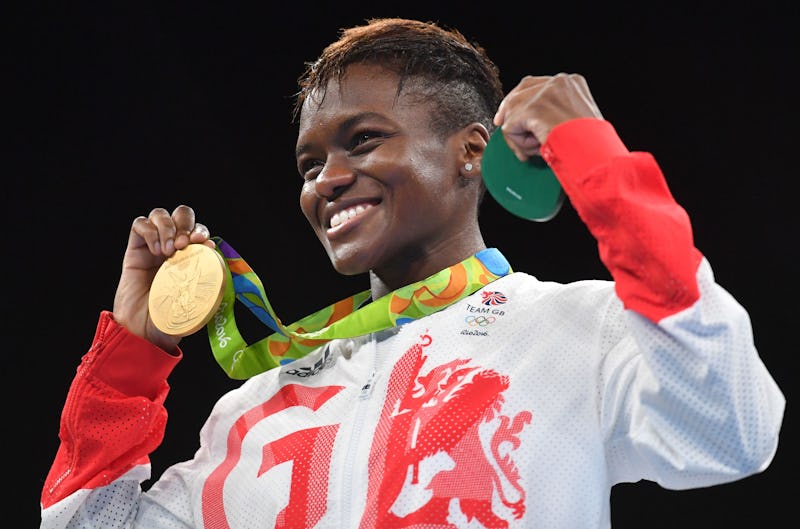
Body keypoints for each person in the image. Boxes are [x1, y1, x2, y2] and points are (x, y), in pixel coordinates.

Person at [39, 17, 785, 529]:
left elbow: (732, 427)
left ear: (471, 150)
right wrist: (131, 362)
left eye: (362, 141)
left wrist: (599, 162)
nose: (326, 179)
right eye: (309, 163)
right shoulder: (261, 404)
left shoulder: (574, 329)